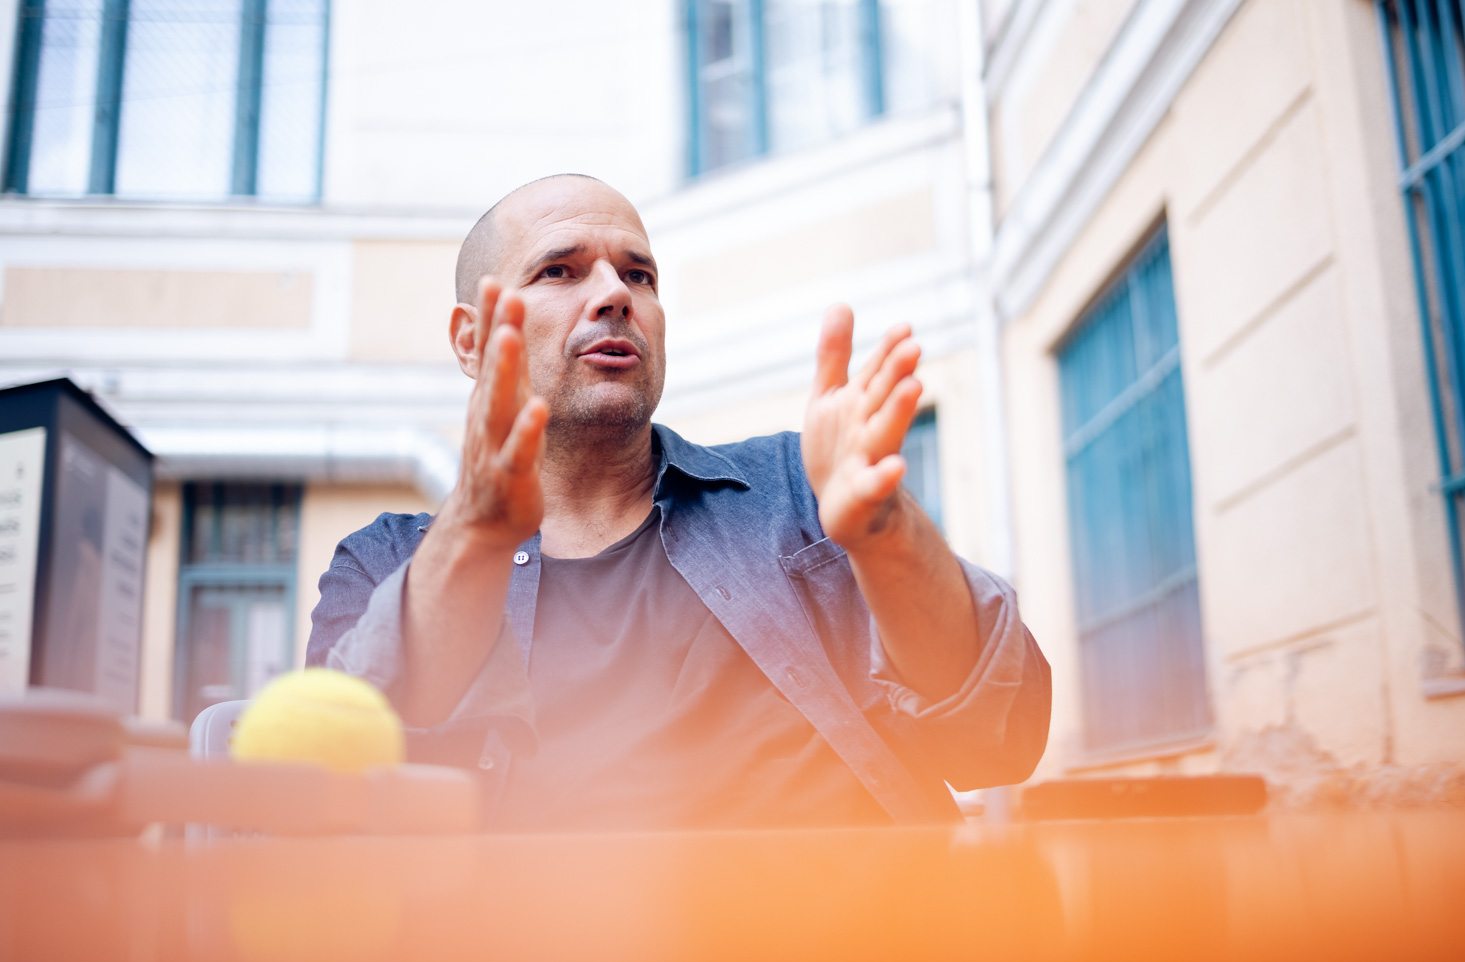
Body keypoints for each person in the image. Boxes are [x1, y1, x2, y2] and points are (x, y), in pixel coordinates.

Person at [308, 174, 1049, 829]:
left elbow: (1000, 735)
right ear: (470, 341)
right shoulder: (384, 561)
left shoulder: (801, 486)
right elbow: (329, 794)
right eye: (559, 270)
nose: (615, 295)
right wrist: (472, 534)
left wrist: (888, 538)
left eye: (640, 275)